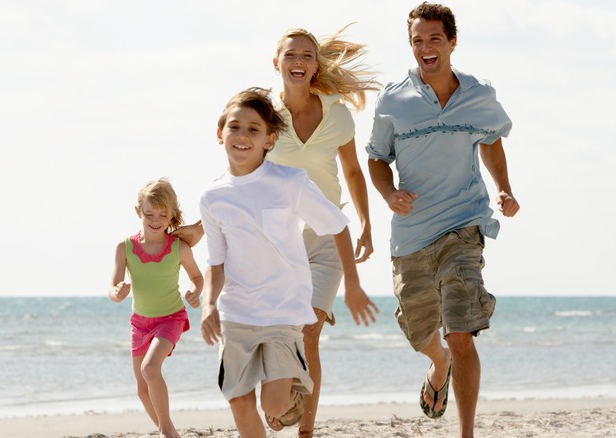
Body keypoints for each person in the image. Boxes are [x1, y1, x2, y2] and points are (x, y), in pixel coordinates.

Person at [366, 3, 520, 437]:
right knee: (421, 333)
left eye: (434, 39)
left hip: (463, 224)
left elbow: (490, 141)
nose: (425, 47)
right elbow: (377, 158)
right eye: (417, 40)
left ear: (452, 42)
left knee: (461, 330)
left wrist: (504, 187)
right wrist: (389, 192)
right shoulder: (393, 99)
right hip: (411, 234)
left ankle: (465, 431)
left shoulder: (479, 95)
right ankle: (438, 363)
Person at [198, 87, 378, 438]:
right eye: (235, 127)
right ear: (220, 134)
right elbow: (215, 262)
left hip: (282, 313)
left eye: (254, 129)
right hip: (237, 313)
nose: (243, 136)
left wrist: (353, 285)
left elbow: (338, 227)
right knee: (238, 400)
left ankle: (290, 393)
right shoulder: (212, 196)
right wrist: (208, 305)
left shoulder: (290, 182)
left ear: (270, 139)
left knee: (274, 407)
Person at [266, 25, 380, 438]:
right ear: (275, 63)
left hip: (328, 236)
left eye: (307, 56)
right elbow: (241, 175)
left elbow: (351, 170)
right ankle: (282, 393)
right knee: (282, 330)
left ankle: (306, 431)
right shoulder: (264, 115)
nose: (298, 62)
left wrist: (366, 222)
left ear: (316, 66)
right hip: (277, 241)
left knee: (310, 330)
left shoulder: (336, 114)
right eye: (291, 55)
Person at [108, 178, 204, 438]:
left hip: (170, 318)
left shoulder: (179, 248)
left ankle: (167, 432)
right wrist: (118, 292)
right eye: (149, 213)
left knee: (150, 369)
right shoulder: (125, 248)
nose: (156, 219)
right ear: (138, 212)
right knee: (142, 388)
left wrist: (196, 292)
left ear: (172, 214)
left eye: (163, 214)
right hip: (139, 322)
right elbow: (113, 287)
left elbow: (197, 277)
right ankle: (168, 430)